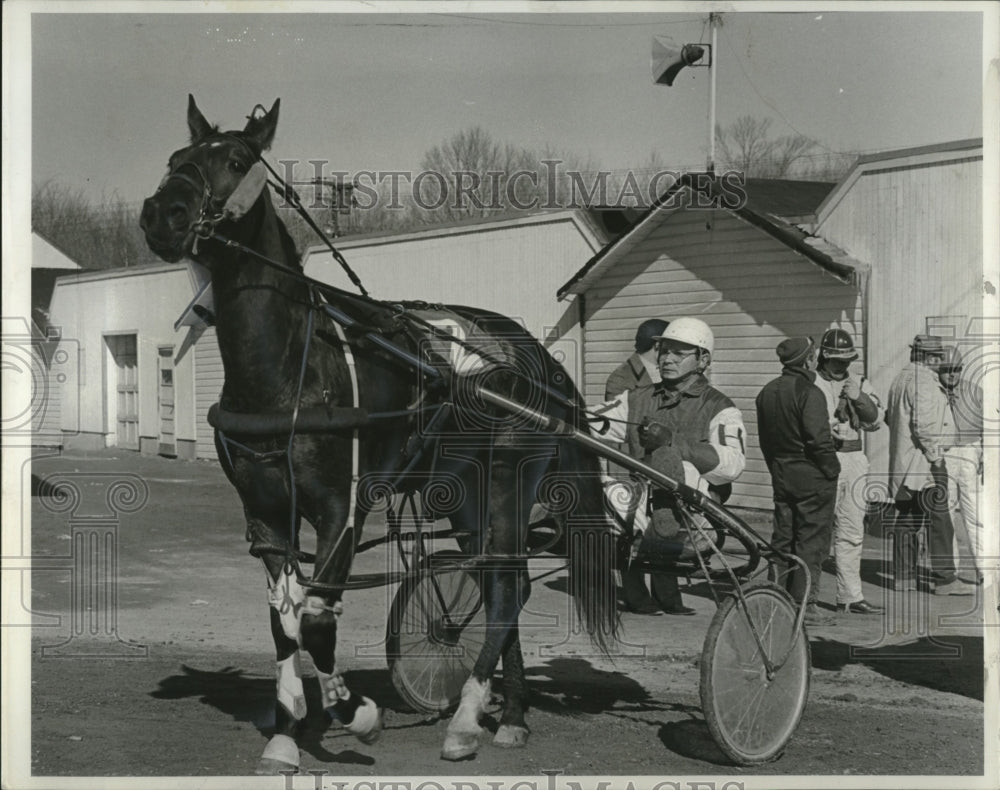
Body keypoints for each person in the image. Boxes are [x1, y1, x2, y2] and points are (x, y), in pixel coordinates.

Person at [597, 317, 747, 616]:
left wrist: (675, 444)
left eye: (679, 353)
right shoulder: (636, 399)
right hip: (642, 507)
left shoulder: (720, 406)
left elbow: (733, 464)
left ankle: (664, 509)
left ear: (702, 359)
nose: (667, 359)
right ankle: (649, 565)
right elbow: (591, 423)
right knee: (603, 486)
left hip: (695, 512)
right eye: (664, 351)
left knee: (682, 469)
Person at [756, 336, 840, 626]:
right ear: (807, 360)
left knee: (782, 539)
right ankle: (805, 605)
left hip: (782, 474)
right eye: (814, 355)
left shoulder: (766, 392)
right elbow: (819, 440)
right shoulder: (810, 392)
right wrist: (832, 469)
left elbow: (765, 440)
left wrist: (775, 469)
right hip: (812, 478)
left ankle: (774, 600)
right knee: (811, 541)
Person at [884, 335, 966, 595]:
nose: (941, 363)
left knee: (909, 517)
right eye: (939, 357)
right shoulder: (925, 383)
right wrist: (936, 458)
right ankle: (944, 580)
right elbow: (925, 426)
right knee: (939, 519)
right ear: (930, 358)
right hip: (925, 463)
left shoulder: (900, 379)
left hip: (906, 461)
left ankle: (904, 577)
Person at [813, 329, 885, 615]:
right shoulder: (812, 382)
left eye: (846, 360)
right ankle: (806, 597)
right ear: (823, 357)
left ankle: (850, 596)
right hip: (824, 457)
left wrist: (859, 398)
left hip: (853, 457)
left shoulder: (860, 382)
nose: (841, 366)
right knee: (817, 530)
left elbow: (877, 421)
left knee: (852, 530)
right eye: (835, 360)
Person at [606, 318, 670, 614]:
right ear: (657, 344)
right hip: (630, 466)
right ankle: (636, 597)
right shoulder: (621, 379)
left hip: (654, 464)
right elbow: (623, 431)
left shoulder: (661, 376)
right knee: (628, 535)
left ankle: (667, 596)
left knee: (660, 528)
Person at [937, 345, 984, 586]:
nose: (952, 374)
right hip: (943, 456)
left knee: (976, 515)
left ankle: (984, 569)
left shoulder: (975, 391)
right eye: (946, 370)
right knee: (947, 514)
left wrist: (986, 456)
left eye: (956, 369)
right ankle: (950, 572)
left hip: (969, 453)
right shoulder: (932, 392)